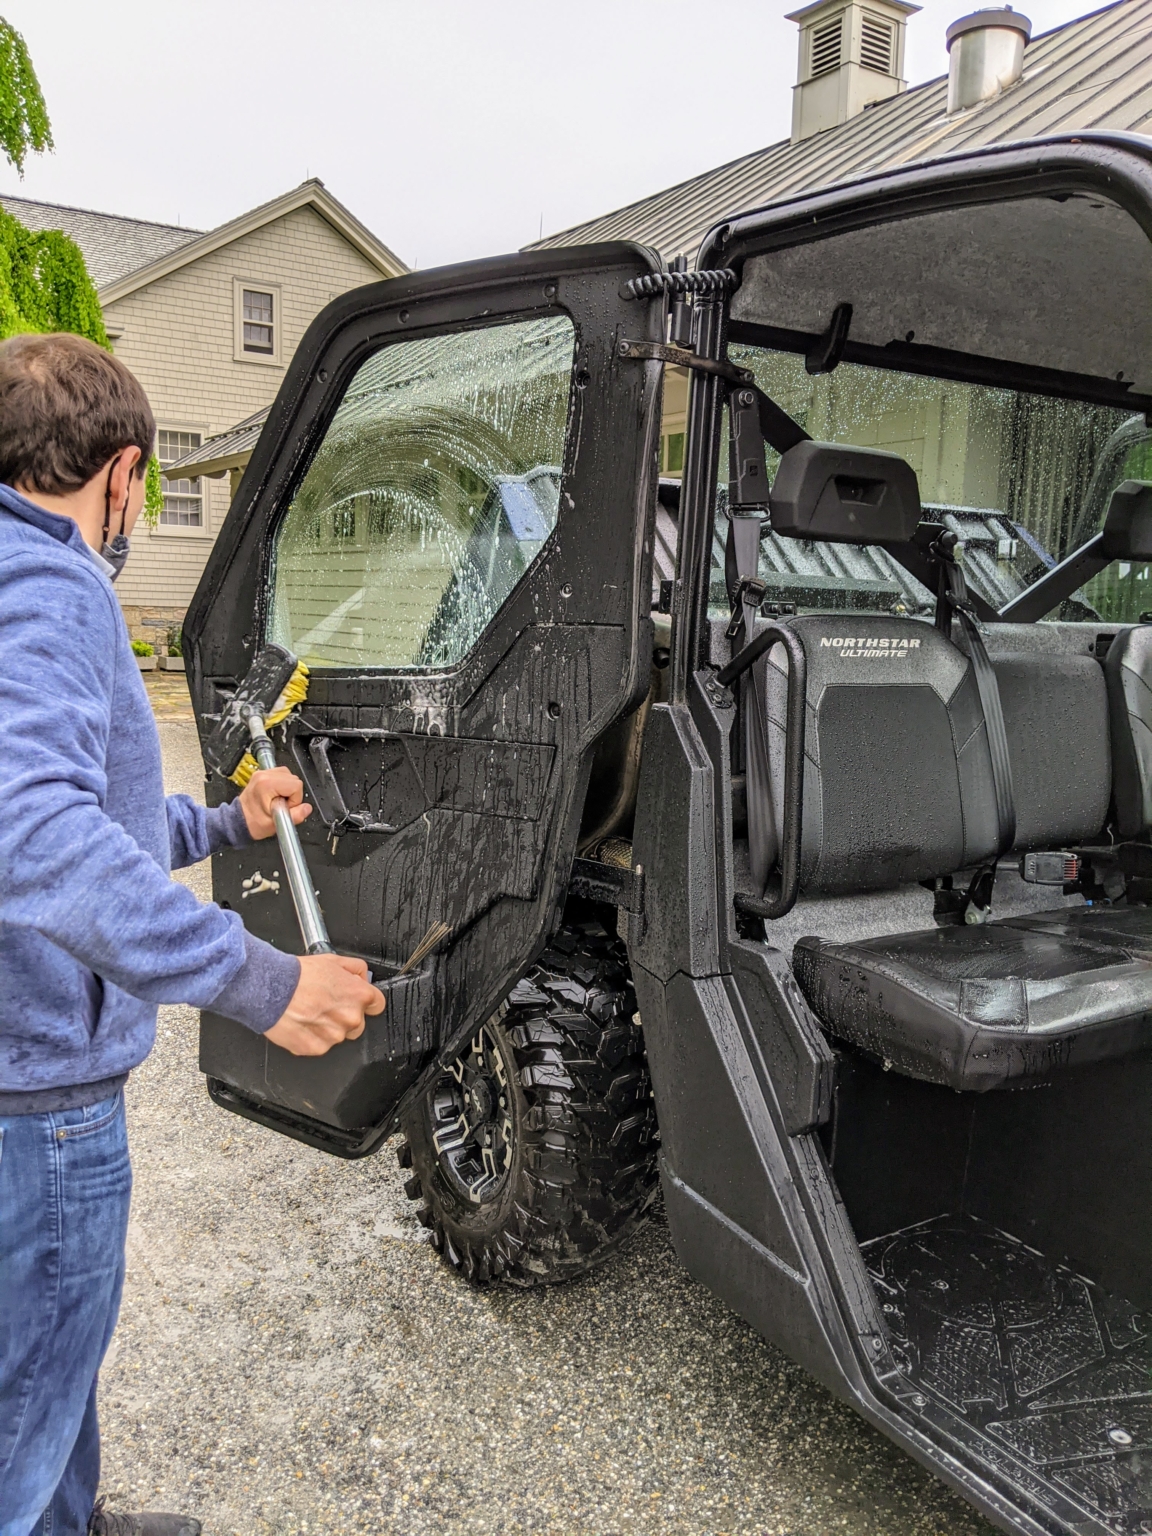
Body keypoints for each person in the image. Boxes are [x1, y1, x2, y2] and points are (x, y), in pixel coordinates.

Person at [0, 332, 386, 1536]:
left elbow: (88, 817)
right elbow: (30, 832)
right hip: (37, 1102)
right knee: (22, 1408)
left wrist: (225, 820)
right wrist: (260, 980)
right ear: (122, 474)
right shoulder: (51, 585)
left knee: (45, 1358)